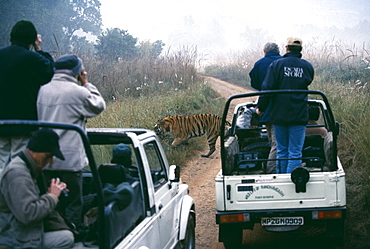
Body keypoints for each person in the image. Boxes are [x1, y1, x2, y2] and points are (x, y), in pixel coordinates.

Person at [37, 55, 106, 230]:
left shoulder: (43, 90)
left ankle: (54, 232)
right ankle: (72, 235)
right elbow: (99, 105)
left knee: (52, 203)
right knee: (74, 204)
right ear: (78, 71)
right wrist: (86, 83)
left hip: (46, 160)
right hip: (70, 161)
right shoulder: (77, 92)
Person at [0, 128, 74, 248]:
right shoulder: (18, 174)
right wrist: (52, 197)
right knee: (66, 238)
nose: (50, 161)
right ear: (36, 151)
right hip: (16, 238)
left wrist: (54, 191)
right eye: (48, 156)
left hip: (24, 231)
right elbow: (28, 214)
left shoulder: (27, 168)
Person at [0, 20, 54, 173]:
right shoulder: (32, 59)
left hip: (0, 122)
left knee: (0, 163)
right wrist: (39, 49)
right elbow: (50, 71)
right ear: (32, 39)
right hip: (23, 123)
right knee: (18, 165)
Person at [257, 37, 314, 174]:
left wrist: (261, 108)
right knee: (295, 152)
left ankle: (282, 180)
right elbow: (308, 80)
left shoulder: (276, 65)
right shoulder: (307, 66)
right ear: (300, 49)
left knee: (281, 151)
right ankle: (291, 183)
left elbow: (267, 88)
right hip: (298, 115)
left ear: (286, 48)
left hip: (279, 116)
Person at [249, 42, 282, 173]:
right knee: (277, 143)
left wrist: (263, 90)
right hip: (281, 107)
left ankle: (271, 169)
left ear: (264, 51)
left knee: (272, 140)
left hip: (266, 107)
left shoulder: (259, 64)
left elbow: (254, 81)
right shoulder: (283, 62)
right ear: (279, 51)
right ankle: (273, 169)